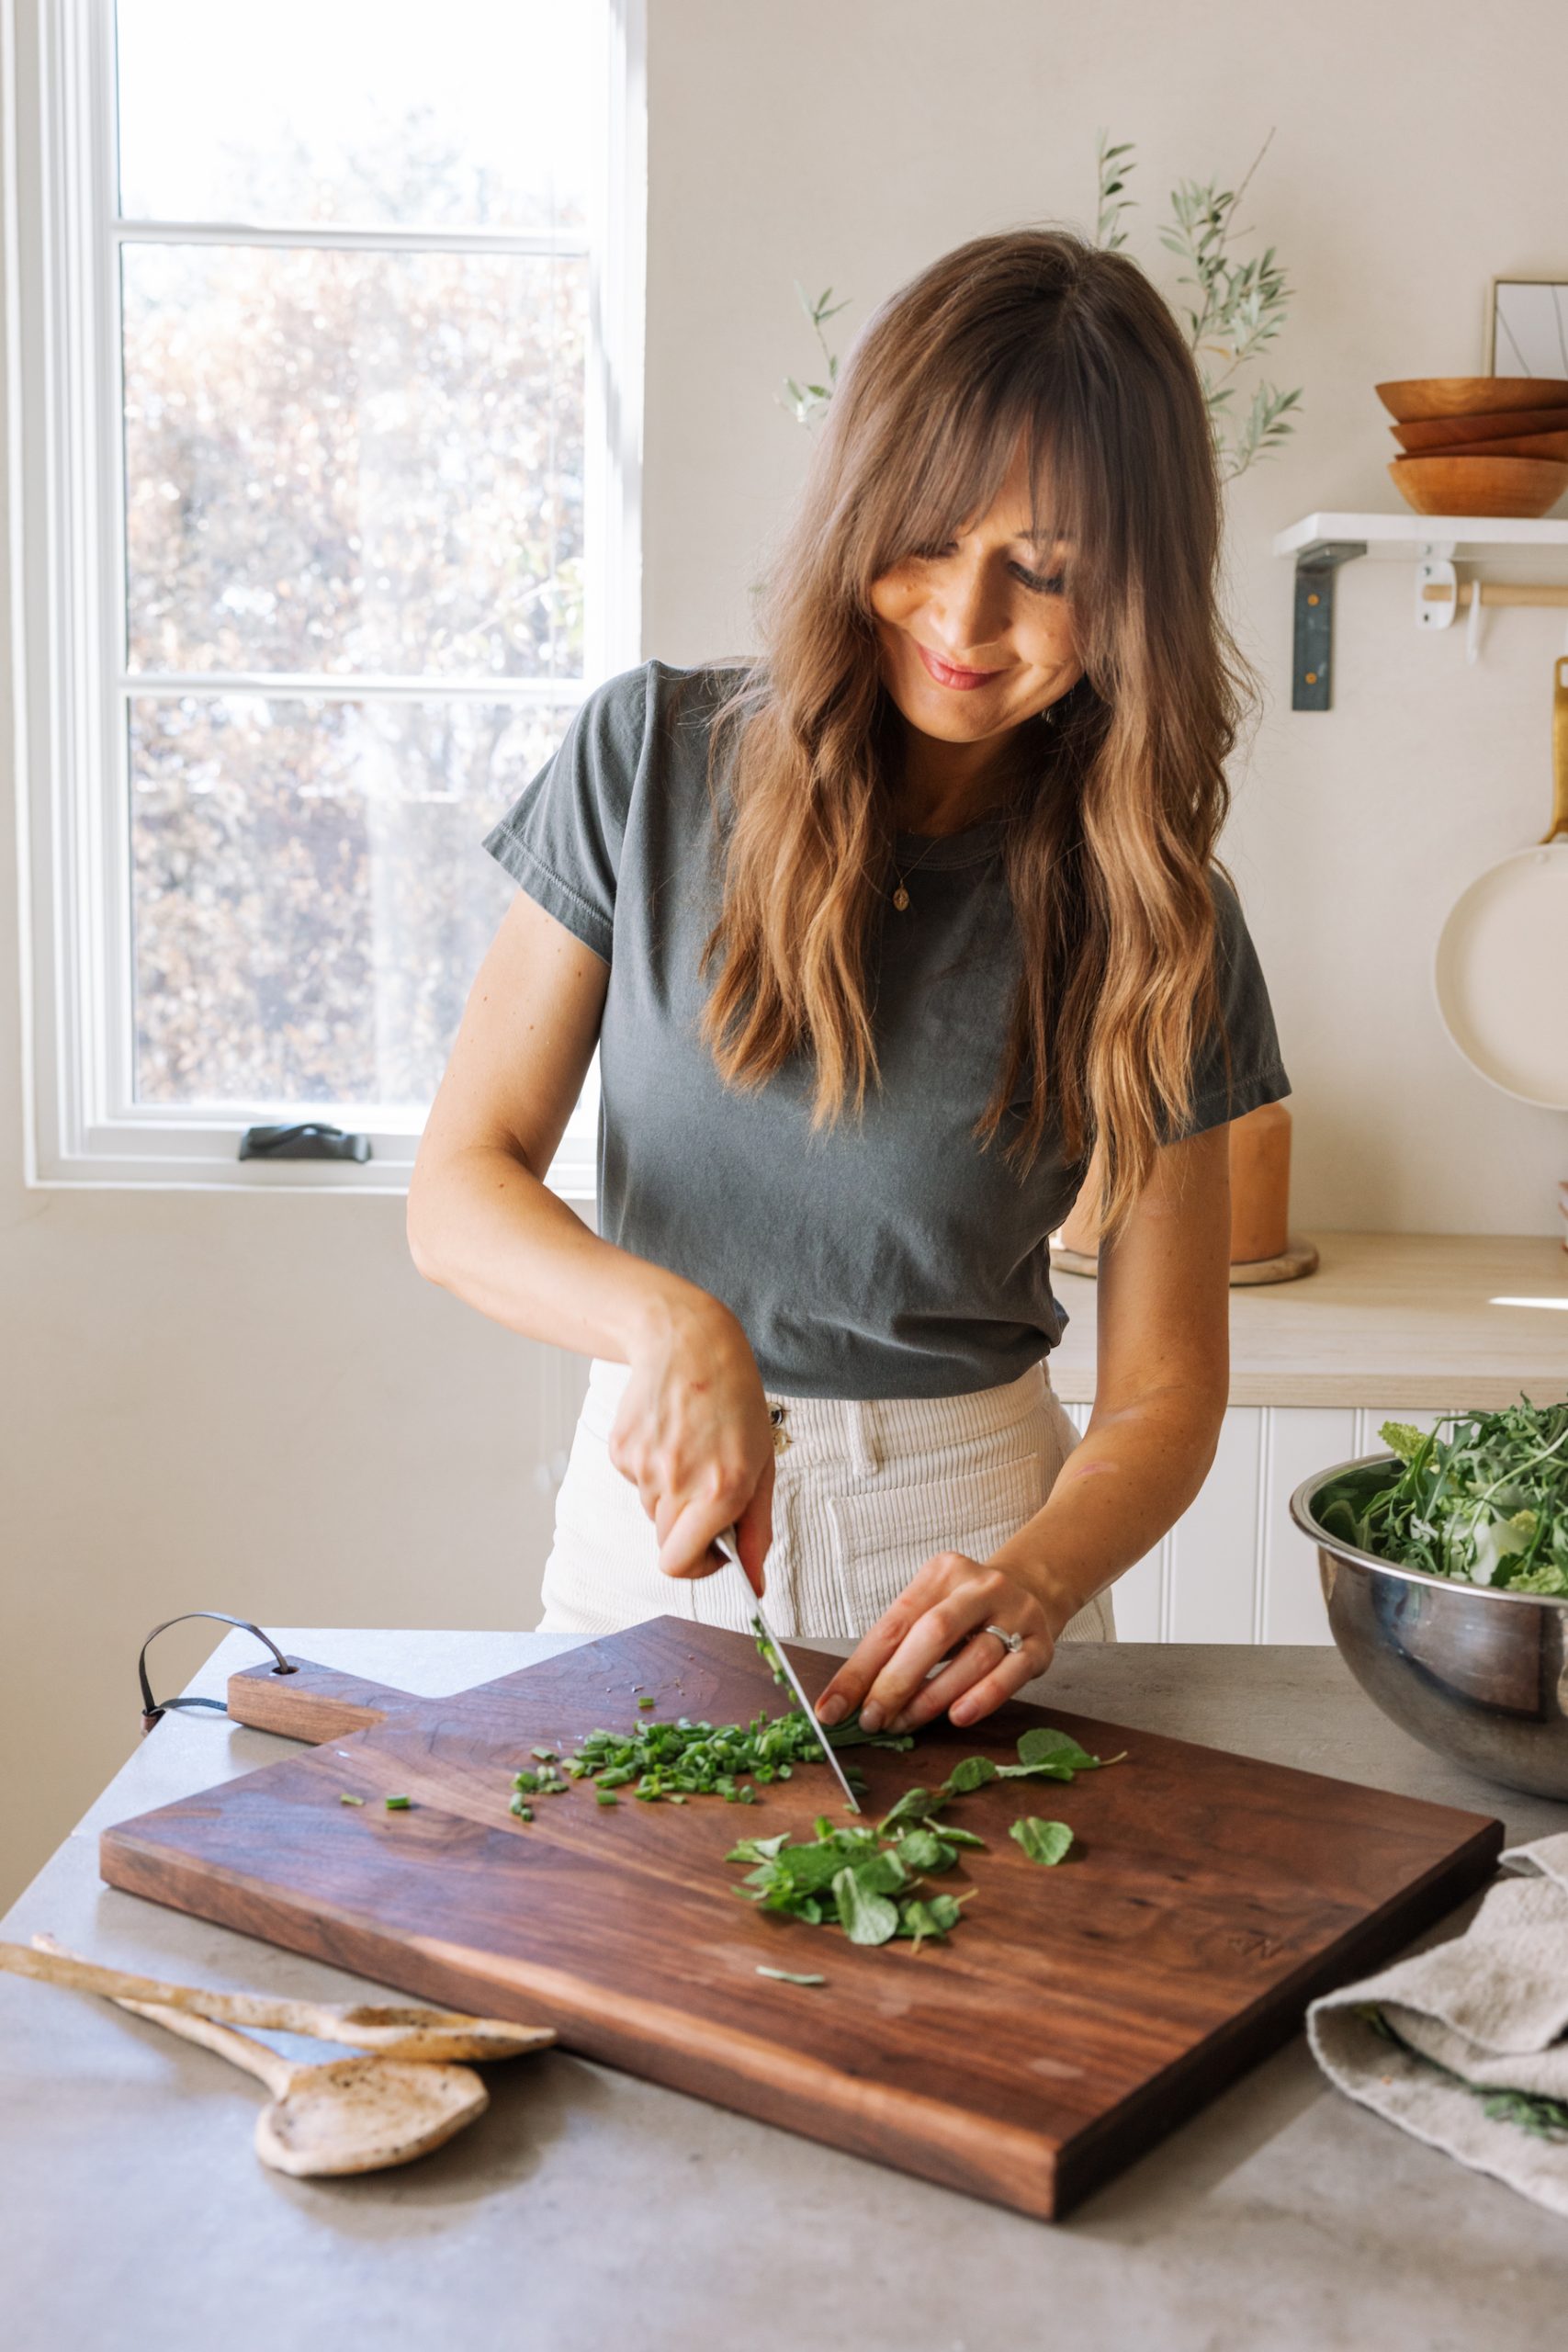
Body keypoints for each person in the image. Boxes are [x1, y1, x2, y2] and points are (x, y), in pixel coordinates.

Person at [406, 225, 1292, 1740]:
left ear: (1132, 592)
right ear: (858, 512)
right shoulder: (651, 764)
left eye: (1046, 573)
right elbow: (457, 1189)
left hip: (966, 1556)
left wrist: (1035, 1580)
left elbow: (1163, 1392)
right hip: (650, 1533)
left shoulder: (1163, 919)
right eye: (929, 541)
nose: (964, 621)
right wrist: (669, 1327)